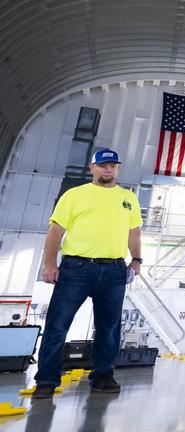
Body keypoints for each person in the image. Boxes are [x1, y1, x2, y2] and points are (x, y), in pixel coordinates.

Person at [34, 148, 143, 398]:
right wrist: (50, 264)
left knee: (109, 327)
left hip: (115, 270)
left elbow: (134, 232)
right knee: (57, 325)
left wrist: (136, 260)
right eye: (103, 165)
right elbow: (55, 232)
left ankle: (103, 375)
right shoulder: (75, 195)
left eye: (113, 165)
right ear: (92, 168)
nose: (108, 169)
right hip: (76, 269)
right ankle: (47, 381)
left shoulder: (129, 198)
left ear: (117, 168)